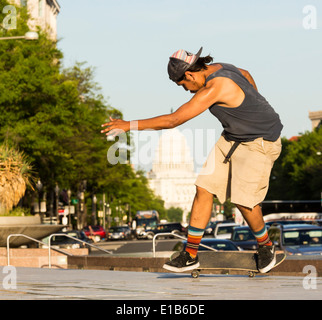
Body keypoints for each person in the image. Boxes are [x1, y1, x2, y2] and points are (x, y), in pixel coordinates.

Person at [101, 47, 283, 273]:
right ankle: (190, 254)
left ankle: (266, 246)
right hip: (232, 137)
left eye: (183, 85)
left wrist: (128, 125)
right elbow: (245, 73)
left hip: (260, 141)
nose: (187, 91)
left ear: (188, 75)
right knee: (203, 188)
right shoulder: (221, 67)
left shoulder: (215, 87)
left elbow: (173, 120)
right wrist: (254, 101)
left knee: (244, 200)